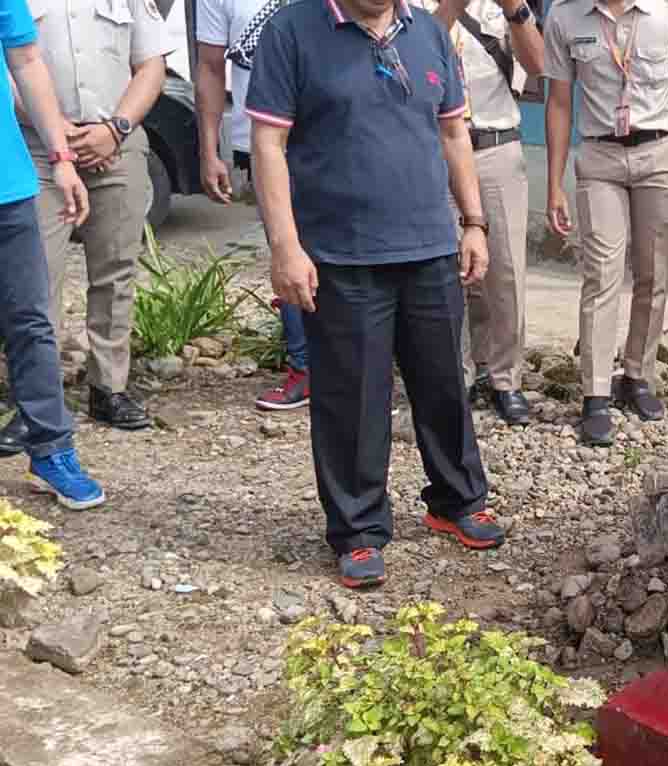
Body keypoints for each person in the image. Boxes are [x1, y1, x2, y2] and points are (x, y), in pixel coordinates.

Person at [247, 0, 505, 589]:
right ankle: (358, 530)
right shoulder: (293, 31)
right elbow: (268, 145)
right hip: (342, 254)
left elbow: (452, 131)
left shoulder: (426, 33)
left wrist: (472, 222)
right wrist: (286, 246)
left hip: (431, 246)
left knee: (444, 384)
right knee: (353, 398)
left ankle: (457, 501)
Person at [541, 0, 668, 447]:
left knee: (653, 272)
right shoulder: (564, 15)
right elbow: (559, 102)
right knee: (601, 274)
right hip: (599, 157)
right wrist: (554, 184)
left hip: (659, 153)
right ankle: (595, 393)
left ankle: (638, 374)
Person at [9, 0, 170, 446]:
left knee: (116, 270)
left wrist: (115, 129)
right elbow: (13, 63)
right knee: (37, 276)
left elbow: (151, 65)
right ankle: (39, 401)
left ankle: (109, 388)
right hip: (37, 148)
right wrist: (56, 129)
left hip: (115, 144)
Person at [1, 0, 105, 509]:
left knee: (31, 320)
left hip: (9, 185)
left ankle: (51, 448)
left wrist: (61, 157)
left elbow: (25, 61)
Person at [424, 0, 542, 426]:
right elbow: (420, 49)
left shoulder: (498, 7)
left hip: (496, 144)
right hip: (436, 147)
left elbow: (539, 63)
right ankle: (458, 375)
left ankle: (506, 379)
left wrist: (517, 12)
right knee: (447, 269)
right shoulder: (408, 9)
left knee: (506, 269)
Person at [194, 0, 311, 411]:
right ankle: (304, 368)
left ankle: (358, 370)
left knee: (348, 250)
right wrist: (210, 149)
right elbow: (210, 67)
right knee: (287, 250)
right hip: (260, 142)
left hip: (330, 135)